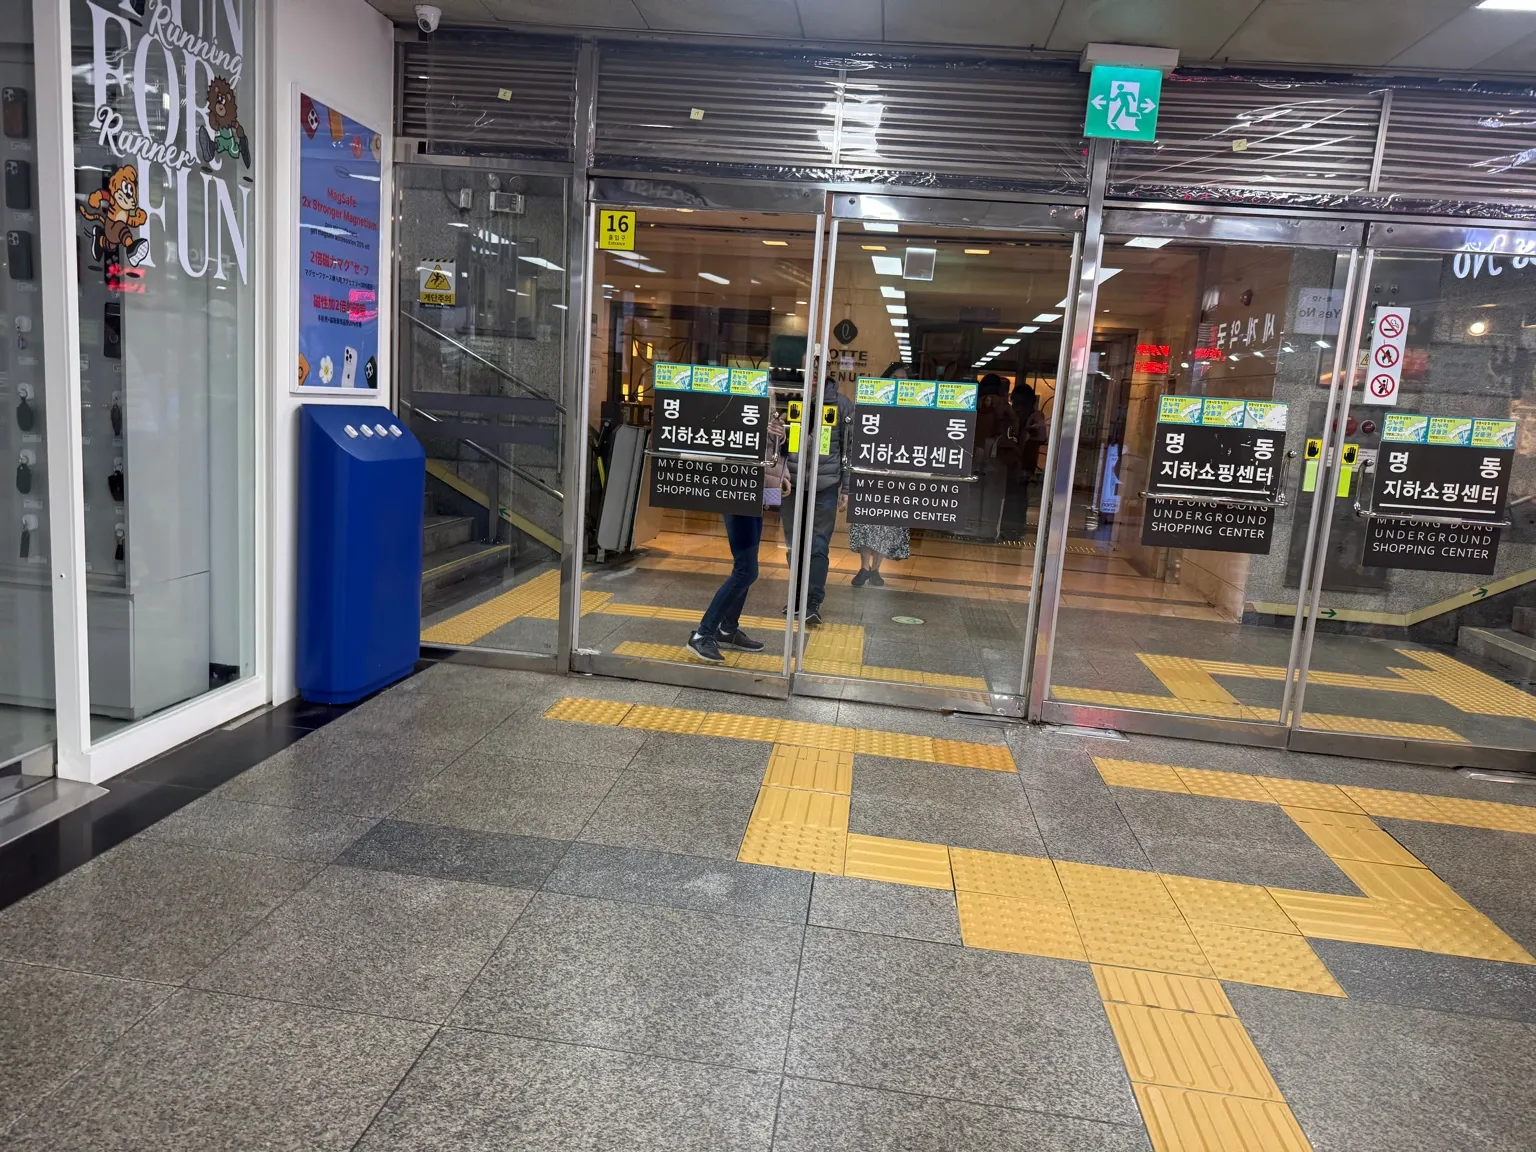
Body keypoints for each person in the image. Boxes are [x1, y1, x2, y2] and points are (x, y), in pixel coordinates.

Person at [687, 408, 788, 663]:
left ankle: (727, 629)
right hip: (737, 489)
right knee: (746, 570)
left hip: (757, 491)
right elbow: (727, 442)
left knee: (747, 566)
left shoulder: (764, 405)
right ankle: (702, 634)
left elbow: (767, 454)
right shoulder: (732, 406)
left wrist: (778, 442)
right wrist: (761, 435)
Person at [782, 375, 854, 628]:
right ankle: (796, 597)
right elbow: (779, 443)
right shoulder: (791, 399)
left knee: (818, 545)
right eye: (806, 368)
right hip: (792, 483)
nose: (811, 376)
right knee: (794, 544)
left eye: (816, 367)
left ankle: (812, 602)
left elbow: (849, 449)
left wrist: (846, 487)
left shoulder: (841, 405)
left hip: (826, 485)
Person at [850, 360, 911, 586]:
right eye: (894, 379)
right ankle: (864, 567)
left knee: (887, 522)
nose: (898, 384)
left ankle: (876, 569)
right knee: (866, 519)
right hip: (870, 468)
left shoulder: (911, 409)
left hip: (896, 471)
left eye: (903, 381)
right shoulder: (871, 402)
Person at [1002, 382, 1046, 542]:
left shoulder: (1034, 416)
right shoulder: (1014, 415)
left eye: (1020, 403)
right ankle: (1013, 528)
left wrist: (1028, 430)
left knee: (1017, 496)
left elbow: (1041, 436)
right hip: (1017, 461)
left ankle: (1014, 529)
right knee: (1015, 496)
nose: (1017, 407)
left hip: (1023, 462)